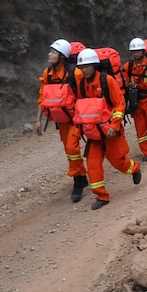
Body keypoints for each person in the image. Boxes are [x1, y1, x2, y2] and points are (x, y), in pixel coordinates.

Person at [73, 48, 142, 209]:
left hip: (109, 130)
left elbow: (120, 103)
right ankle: (101, 196)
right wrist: (79, 128)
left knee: (118, 161)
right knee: (93, 163)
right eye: (81, 67)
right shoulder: (81, 84)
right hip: (93, 133)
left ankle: (135, 169)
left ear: (95, 65)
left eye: (87, 66)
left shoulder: (107, 80)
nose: (84, 70)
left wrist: (115, 124)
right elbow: (81, 107)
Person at [36, 39, 88, 202]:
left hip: (76, 119)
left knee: (72, 148)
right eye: (50, 51)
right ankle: (81, 177)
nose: (49, 54)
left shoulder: (76, 74)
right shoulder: (47, 74)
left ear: (62, 56)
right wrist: (38, 120)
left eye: (53, 52)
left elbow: (84, 96)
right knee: (69, 151)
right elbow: (42, 97)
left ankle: (77, 182)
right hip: (61, 120)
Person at [122, 38, 147, 161]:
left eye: (138, 51)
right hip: (135, 102)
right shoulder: (128, 66)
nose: (135, 54)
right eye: (133, 52)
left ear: (143, 51)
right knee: (140, 130)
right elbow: (124, 84)